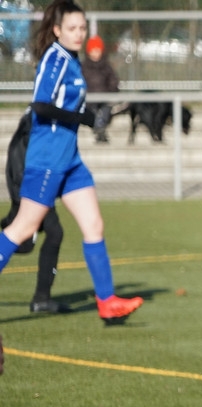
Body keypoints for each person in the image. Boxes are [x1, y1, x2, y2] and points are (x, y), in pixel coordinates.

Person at [0, 1, 142, 323]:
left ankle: (107, 302)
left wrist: (91, 116)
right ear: (57, 30)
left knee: (94, 225)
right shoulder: (54, 58)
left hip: (70, 160)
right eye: (72, 28)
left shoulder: (72, 59)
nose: (79, 34)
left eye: (82, 28)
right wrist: (85, 118)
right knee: (23, 228)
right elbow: (40, 106)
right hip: (48, 159)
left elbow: (69, 106)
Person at [1, 110, 69, 313]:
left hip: (28, 184)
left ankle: (42, 298)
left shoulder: (39, 115)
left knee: (22, 242)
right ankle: (42, 299)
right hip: (29, 186)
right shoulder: (40, 117)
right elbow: (23, 155)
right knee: (54, 233)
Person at [80, 34, 119, 144]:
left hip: (104, 98)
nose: (96, 53)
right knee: (92, 112)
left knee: (105, 111)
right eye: (93, 50)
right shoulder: (83, 67)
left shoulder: (106, 66)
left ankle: (100, 129)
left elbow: (113, 80)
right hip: (89, 99)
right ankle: (99, 129)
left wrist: (111, 91)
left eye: (98, 50)